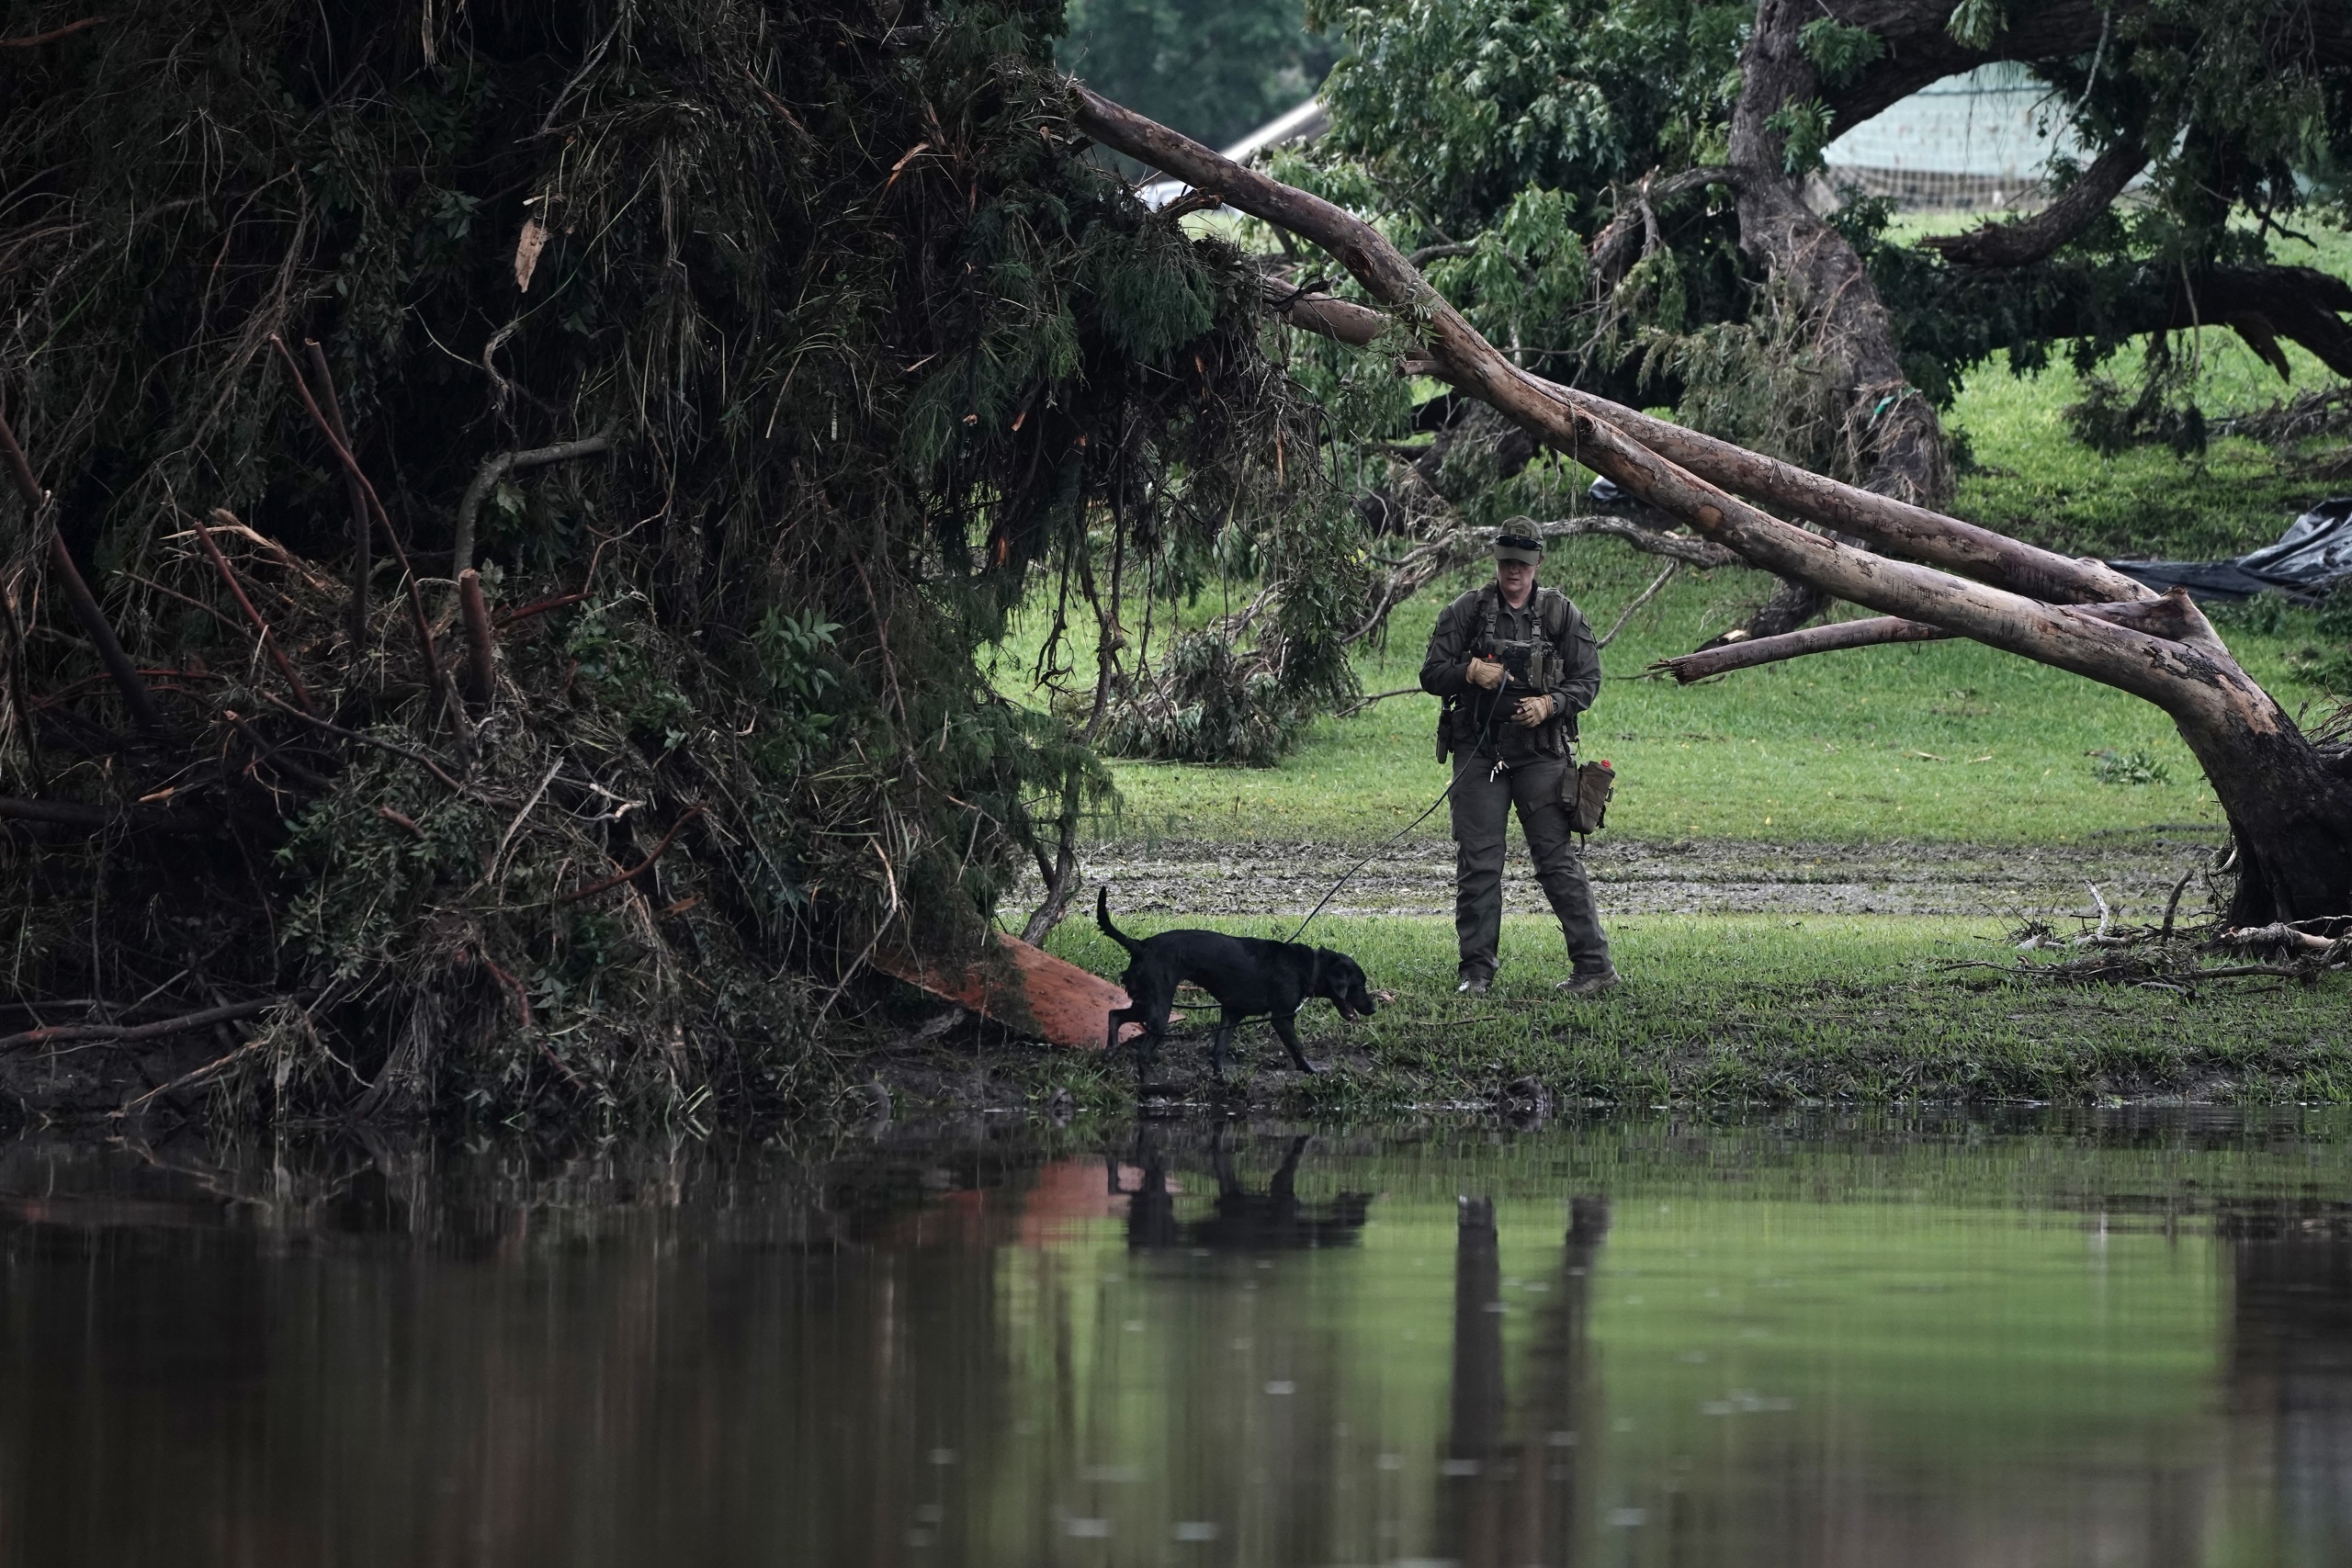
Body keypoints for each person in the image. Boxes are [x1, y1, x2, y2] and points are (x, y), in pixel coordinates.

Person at [1419, 529, 1618, 997]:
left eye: (1523, 564)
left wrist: (1550, 704)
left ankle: (1594, 967)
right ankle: (1476, 973)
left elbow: (1588, 680)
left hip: (1540, 753)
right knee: (1479, 863)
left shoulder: (1560, 613)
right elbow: (1430, 674)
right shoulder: (1465, 611)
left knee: (1556, 860)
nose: (1514, 571)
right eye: (1507, 562)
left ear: (1538, 564)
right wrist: (1468, 671)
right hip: (1479, 749)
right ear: (1496, 561)